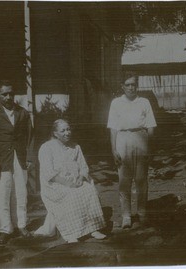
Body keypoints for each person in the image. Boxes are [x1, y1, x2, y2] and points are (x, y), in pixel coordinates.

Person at [37, 119, 106, 243]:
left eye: (68, 129)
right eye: (62, 130)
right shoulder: (46, 148)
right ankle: (72, 233)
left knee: (88, 189)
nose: (67, 133)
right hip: (55, 184)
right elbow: (49, 174)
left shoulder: (75, 146)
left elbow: (83, 166)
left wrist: (80, 178)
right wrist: (68, 184)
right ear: (55, 133)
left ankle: (92, 228)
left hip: (75, 181)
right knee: (71, 194)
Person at [0, 80, 33, 244]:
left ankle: (22, 225)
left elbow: (31, 137)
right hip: (1, 161)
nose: (9, 97)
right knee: (2, 195)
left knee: (21, 193)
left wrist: (30, 158)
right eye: (4, 94)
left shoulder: (23, 113)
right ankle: (5, 229)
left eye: (11, 93)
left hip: (20, 159)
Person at [107, 73, 157, 229]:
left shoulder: (144, 102)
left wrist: (149, 147)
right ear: (122, 86)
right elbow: (113, 128)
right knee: (124, 181)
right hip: (123, 139)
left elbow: (150, 126)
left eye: (133, 84)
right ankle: (126, 215)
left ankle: (142, 213)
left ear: (137, 86)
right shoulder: (116, 103)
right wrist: (114, 149)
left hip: (140, 139)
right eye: (127, 84)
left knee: (141, 180)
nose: (130, 87)